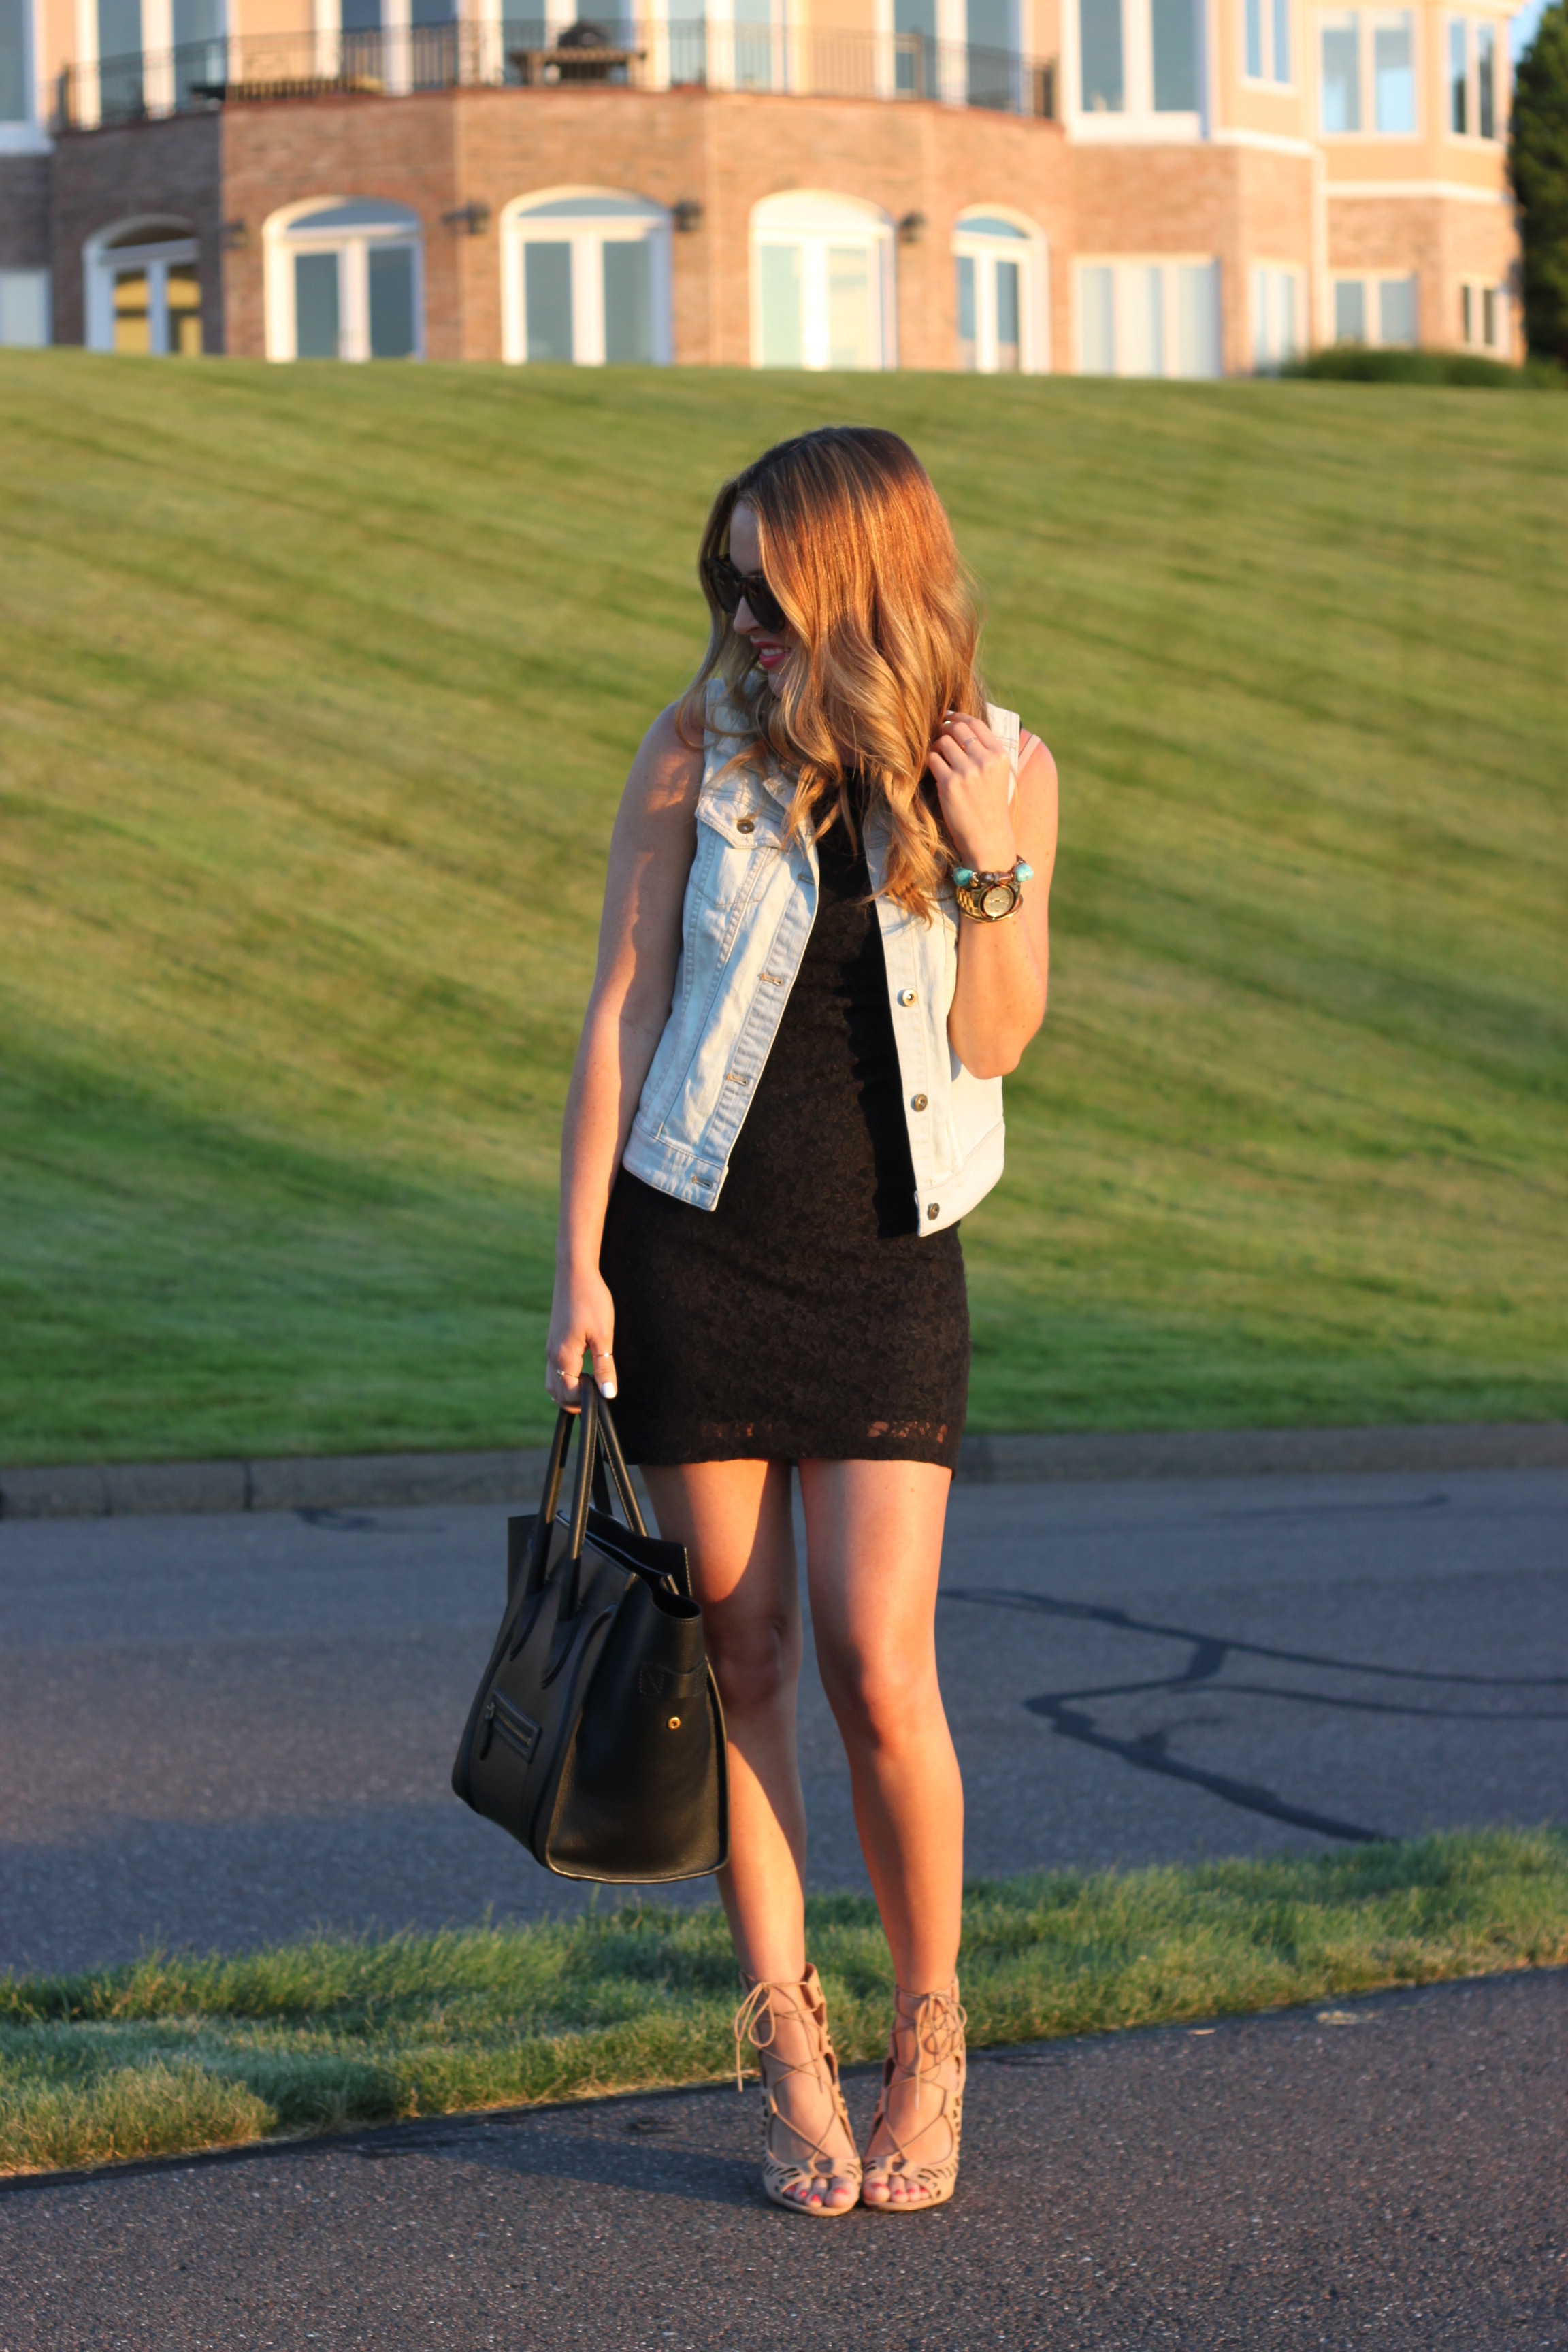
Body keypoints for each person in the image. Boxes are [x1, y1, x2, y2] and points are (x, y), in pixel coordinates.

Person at [546, 425, 1056, 2217]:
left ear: (861, 579)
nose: (744, 619)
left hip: (888, 1265)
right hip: (695, 1254)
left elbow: (995, 1037)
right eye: (728, 584)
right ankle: (789, 2045)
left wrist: (984, 850)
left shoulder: (1000, 766)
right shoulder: (696, 752)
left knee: (879, 1667)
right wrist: (579, 1266)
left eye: (772, 589)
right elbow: (622, 1010)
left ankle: (931, 2034)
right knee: (744, 1663)